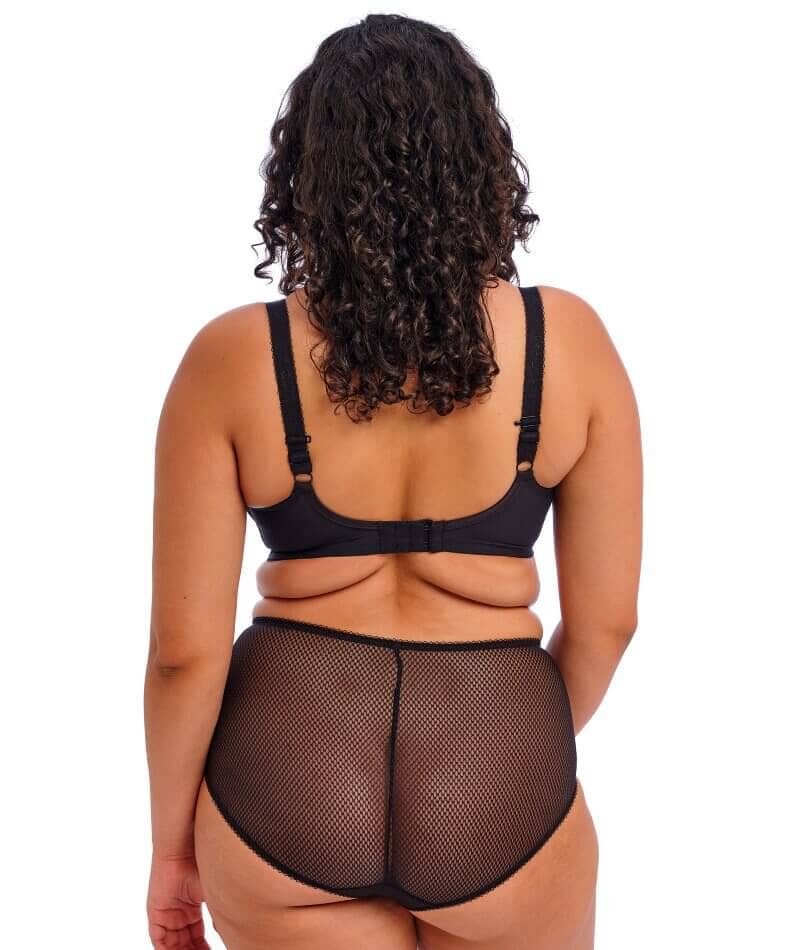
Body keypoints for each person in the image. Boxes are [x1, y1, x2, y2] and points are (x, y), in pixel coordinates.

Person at [144, 13, 642, 950]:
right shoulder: (567, 344)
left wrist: (173, 852)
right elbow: (609, 622)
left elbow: (185, 653)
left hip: (285, 780)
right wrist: (499, 754)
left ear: (309, 176)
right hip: (500, 785)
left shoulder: (232, 358)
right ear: (482, 165)